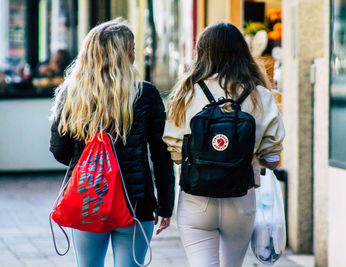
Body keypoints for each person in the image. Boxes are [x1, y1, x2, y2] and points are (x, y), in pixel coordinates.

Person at [49, 18, 175, 267]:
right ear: (126, 54)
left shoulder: (72, 93)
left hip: (88, 198)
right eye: (133, 50)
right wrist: (165, 205)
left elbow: (58, 149)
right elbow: (161, 156)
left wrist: (89, 164)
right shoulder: (145, 94)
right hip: (135, 202)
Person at [163, 22, 285, 267]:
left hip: (196, 198)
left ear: (202, 52)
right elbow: (272, 160)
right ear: (242, 52)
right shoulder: (260, 95)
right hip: (241, 197)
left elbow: (175, 154)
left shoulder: (185, 93)